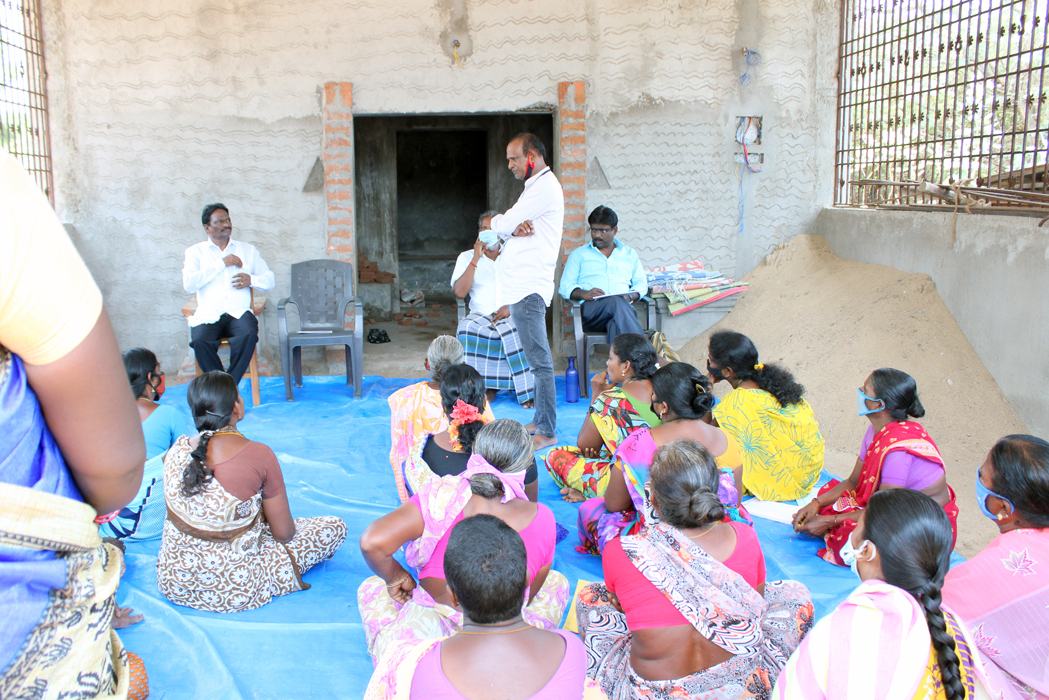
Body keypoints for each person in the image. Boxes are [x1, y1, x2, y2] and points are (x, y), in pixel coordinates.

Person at [0, 152, 148, 699]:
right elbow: (116, 468)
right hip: (29, 628)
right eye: (219, 223)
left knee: (244, 325)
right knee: (209, 331)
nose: (225, 230)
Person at [577, 441, 813, 699]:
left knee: (592, 597)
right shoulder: (745, 535)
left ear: (652, 497)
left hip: (654, 693)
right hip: (742, 684)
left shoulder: (621, 551)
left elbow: (623, 603)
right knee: (793, 592)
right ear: (712, 492)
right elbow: (755, 606)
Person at [358, 419, 568, 666]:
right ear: (525, 466)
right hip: (505, 638)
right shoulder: (542, 517)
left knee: (372, 587)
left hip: (429, 638)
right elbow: (527, 597)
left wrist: (396, 577)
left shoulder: (439, 497)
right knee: (557, 582)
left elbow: (372, 542)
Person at [776, 488, 1002, 700]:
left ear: (867, 551)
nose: (851, 536)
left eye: (856, 530)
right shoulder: (955, 630)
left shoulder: (840, 630)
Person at [156, 371, 347, 612]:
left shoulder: (177, 449)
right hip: (237, 589)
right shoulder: (259, 454)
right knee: (333, 526)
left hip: (175, 583)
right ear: (236, 406)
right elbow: (284, 534)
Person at [365, 514, 608, 700]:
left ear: (452, 595)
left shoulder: (409, 659)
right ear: (526, 581)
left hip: (430, 641)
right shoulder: (570, 647)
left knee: (372, 587)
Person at [577, 363, 749, 555]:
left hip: (659, 545)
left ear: (664, 407)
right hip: (720, 540)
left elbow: (614, 505)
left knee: (590, 509)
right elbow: (735, 502)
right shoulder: (728, 440)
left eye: (653, 397)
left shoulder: (636, 443)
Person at [792, 368, 958, 566]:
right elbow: (854, 481)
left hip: (919, 520)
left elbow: (884, 512)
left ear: (879, 405)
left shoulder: (898, 452)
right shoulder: (876, 431)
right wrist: (815, 504)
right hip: (889, 503)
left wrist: (829, 522)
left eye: (865, 390)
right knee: (830, 505)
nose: (859, 393)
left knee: (851, 541)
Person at [942, 435, 1049, 699]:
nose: (978, 478)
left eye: (983, 476)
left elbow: (933, 607)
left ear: (1003, 507)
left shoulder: (1001, 565)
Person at [481, 133, 564, 450]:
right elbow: (502, 228)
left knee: (541, 364)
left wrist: (504, 224)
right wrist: (507, 227)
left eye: (514, 158)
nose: (510, 165)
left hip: (529, 290)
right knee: (535, 362)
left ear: (531, 156)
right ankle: (540, 422)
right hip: (520, 290)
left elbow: (500, 223)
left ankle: (547, 430)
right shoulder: (534, 188)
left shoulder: (544, 186)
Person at [707, 330, 824, 501]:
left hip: (785, 481)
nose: (708, 363)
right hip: (808, 469)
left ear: (727, 372)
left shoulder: (738, 400)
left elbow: (705, 435)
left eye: (710, 360)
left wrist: (706, 391)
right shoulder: (772, 380)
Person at [544, 334, 661, 503]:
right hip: (667, 478)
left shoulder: (609, 400)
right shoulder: (663, 388)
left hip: (628, 487)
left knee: (556, 456)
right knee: (609, 451)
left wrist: (597, 396)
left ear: (626, 366)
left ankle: (592, 495)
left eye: (610, 358)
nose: (607, 363)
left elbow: (585, 445)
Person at [403, 363, 538, 501]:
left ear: (444, 406)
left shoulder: (419, 458)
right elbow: (531, 505)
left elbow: (418, 508)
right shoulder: (517, 446)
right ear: (484, 401)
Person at [100, 348, 194, 541]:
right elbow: (185, 463)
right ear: (151, 378)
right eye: (159, 371)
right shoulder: (169, 414)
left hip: (106, 521)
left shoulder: (104, 414)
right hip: (147, 520)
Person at [388, 336, 495, 502]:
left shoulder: (401, 398)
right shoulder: (472, 398)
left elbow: (398, 449)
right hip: (468, 495)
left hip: (416, 491)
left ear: (427, 364)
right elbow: (491, 440)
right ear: (463, 366)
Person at [183, 202, 275, 385]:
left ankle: (227, 386)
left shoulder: (247, 250)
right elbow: (189, 284)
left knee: (248, 333)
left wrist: (252, 280)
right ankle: (222, 386)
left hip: (238, 313)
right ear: (207, 227)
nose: (226, 224)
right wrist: (221, 263)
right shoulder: (196, 252)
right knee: (200, 341)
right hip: (209, 314)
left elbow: (269, 279)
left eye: (228, 220)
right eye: (219, 221)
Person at [452, 210, 535, 408]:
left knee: (520, 329)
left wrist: (512, 307)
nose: (488, 232)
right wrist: (475, 258)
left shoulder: (515, 254)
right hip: (480, 316)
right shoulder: (466, 258)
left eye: (493, 228)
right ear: (478, 233)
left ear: (502, 232)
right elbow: (460, 293)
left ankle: (523, 390)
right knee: (465, 330)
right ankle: (481, 387)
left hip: (510, 313)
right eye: (484, 228)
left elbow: (531, 287)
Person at [558, 206, 648, 344]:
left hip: (622, 312)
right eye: (594, 230)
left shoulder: (629, 254)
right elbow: (565, 286)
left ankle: (625, 364)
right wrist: (584, 294)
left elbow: (641, 285)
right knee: (616, 303)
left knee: (616, 324)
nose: (597, 235)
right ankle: (649, 357)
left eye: (603, 231)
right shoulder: (579, 254)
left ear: (615, 230)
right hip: (592, 313)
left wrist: (628, 296)